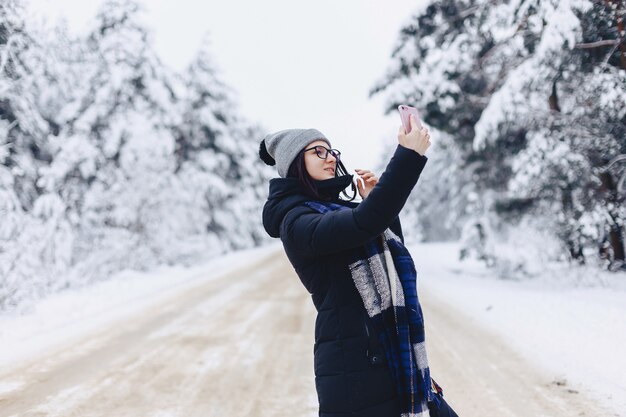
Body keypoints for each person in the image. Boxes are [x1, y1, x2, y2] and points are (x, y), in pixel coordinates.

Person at [260, 115, 458, 417]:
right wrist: (408, 156)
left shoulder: (339, 208)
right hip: (355, 370)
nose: (331, 159)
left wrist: (374, 203)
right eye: (318, 152)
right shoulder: (296, 221)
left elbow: (389, 251)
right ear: (295, 164)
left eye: (332, 151)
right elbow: (362, 224)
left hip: (389, 354)